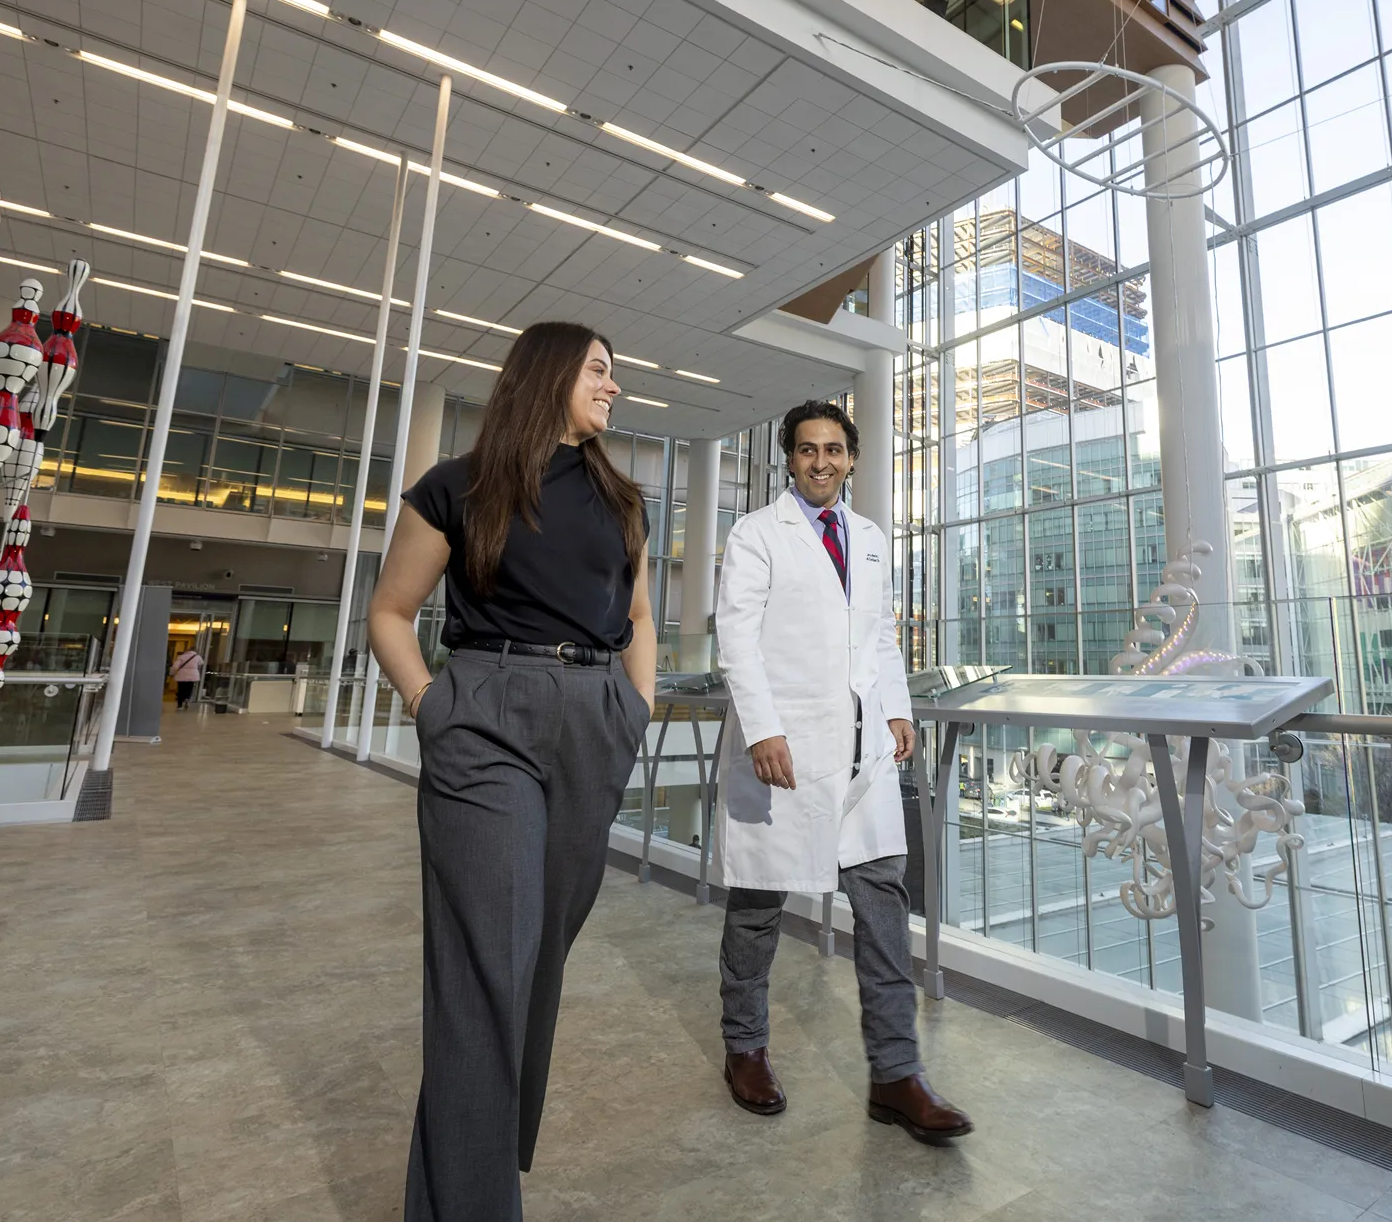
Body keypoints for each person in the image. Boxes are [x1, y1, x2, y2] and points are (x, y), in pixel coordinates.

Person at [367, 321, 656, 1222]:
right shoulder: (459, 485)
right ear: (548, 374)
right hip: (486, 714)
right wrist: (432, 709)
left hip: (595, 718)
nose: (612, 387)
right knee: (488, 962)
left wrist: (634, 711)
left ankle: (468, 1174)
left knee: (536, 963)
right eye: (600, 371)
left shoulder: (624, 500)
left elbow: (639, 615)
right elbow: (390, 610)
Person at [711, 398, 973, 1145]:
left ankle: (896, 1073)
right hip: (784, 749)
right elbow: (737, 639)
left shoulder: (869, 537)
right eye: (805, 449)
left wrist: (897, 710)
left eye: (833, 448)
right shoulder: (757, 534)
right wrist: (762, 729)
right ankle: (746, 1047)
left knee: (884, 908)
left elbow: (879, 638)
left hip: (864, 758)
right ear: (788, 459)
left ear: (852, 457)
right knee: (758, 909)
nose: (820, 461)